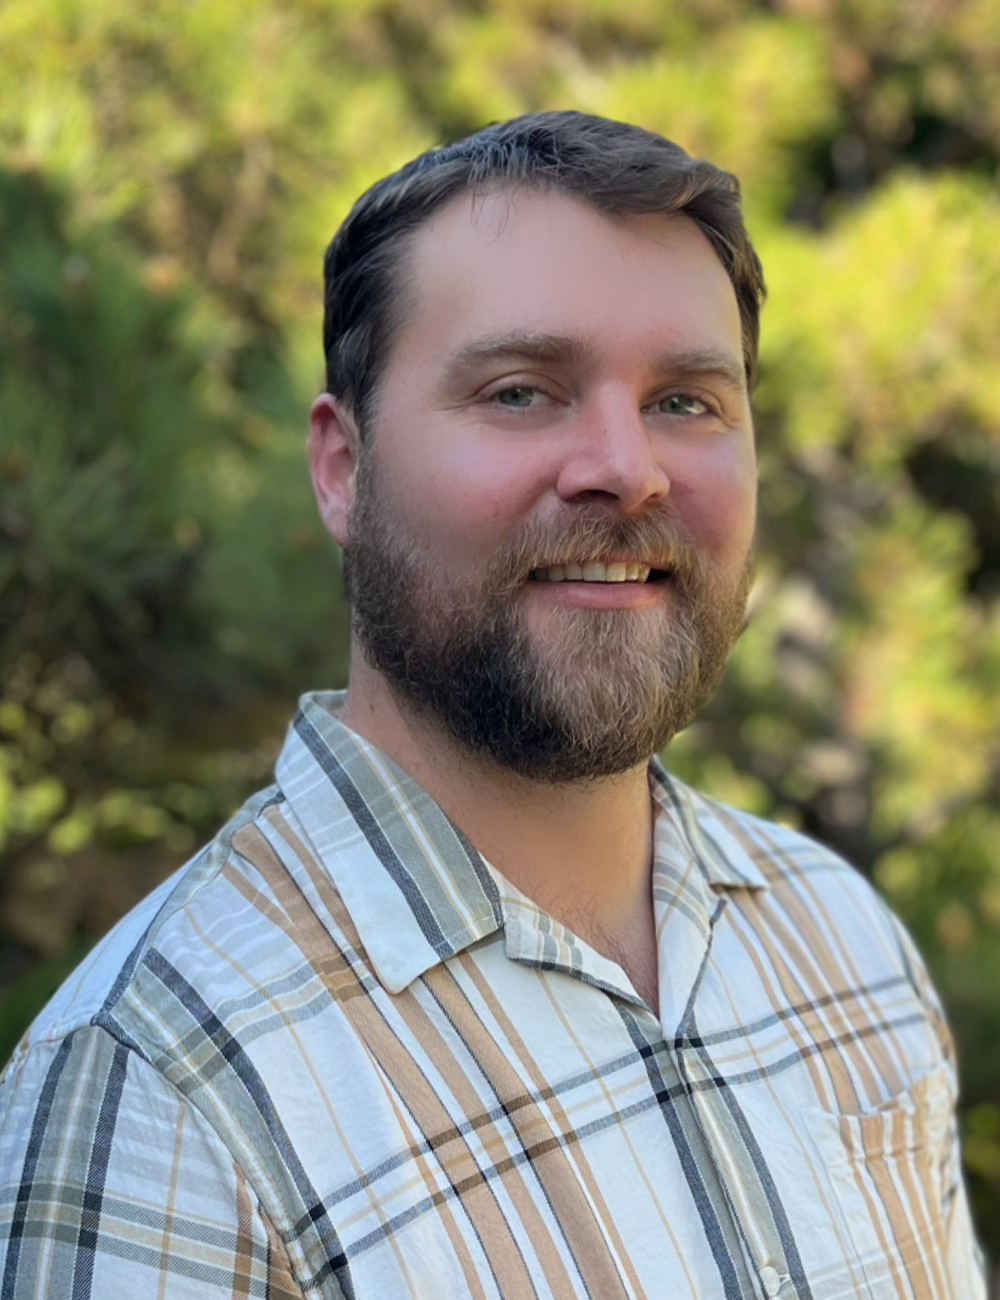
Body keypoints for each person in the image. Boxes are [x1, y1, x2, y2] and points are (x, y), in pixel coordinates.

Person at [0, 112, 985, 1300]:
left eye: (686, 401)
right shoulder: (164, 1086)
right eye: (521, 391)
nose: (625, 467)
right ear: (342, 469)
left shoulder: (841, 941)